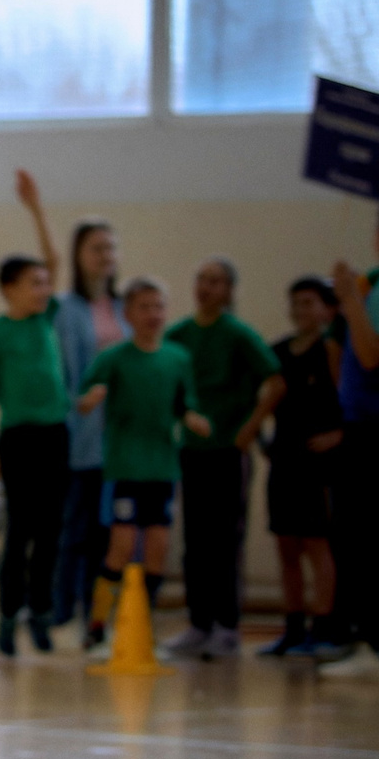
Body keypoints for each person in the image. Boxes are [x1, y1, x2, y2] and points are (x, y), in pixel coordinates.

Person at [74, 275, 210, 648]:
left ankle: (141, 625)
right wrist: (90, 400)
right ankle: (98, 623)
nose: (153, 314)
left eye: (159, 306)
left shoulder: (177, 358)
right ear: (128, 313)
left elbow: (186, 404)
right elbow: (85, 395)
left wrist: (193, 418)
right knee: (121, 545)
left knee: (157, 547)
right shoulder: (115, 357)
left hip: (162, 468)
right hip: (125, 468)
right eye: (144, 307)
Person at [17, 170, 123, 632]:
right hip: (76, 437)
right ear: (81, 254)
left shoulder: (122, 309)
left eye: (110, 248)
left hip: (117, 440)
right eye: (96, 248)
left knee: (106, 532)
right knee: (69, 530)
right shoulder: (65, 308)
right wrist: (37, 210)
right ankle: (57, 610)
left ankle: (94, 615)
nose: (105, 257)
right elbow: (50, 263)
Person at [160, 257, 277, 659]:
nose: (206, 287)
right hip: (193, 452)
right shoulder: (178, 336)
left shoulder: (239, 335)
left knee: (226, 539)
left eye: (216, 281)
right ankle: (198, 622)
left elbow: (276, 382)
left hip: (229, 451)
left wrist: (250, 427)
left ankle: (227, 626)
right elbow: (167, 384)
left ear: (229, 290)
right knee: (196, 540)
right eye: (201, 279)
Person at [235, 275, 346, 658]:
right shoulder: (277, 352)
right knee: (286, 545)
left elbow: (351, 398)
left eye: (310, 303)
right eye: (296, 303)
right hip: (285, 458)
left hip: (318, 462)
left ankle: (325, 625)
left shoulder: (331, 349)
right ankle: (293, 626)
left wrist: (340, 435)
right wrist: (263, 439)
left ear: (327, 309)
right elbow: (262, 399)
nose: (302, 311)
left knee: (317, 544)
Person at [0, 255, 72, 655]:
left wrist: (36, 209)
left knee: (51, 531)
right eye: (34, 283)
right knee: (20, 529)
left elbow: (53, 255)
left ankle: (41, 613)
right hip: (18, 438)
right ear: (9, 288)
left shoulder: (47, 319)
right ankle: (9, 613)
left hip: (55, 435)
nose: (44, 290)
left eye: (46, 283)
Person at [317, 258, 379, 678]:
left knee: (366, 537)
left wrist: (354, 303)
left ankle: (373, 644)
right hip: (358, 425)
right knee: (348, 536)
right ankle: (360, 637)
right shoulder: (369, 283)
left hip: (375, 429)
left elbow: (372, 355)